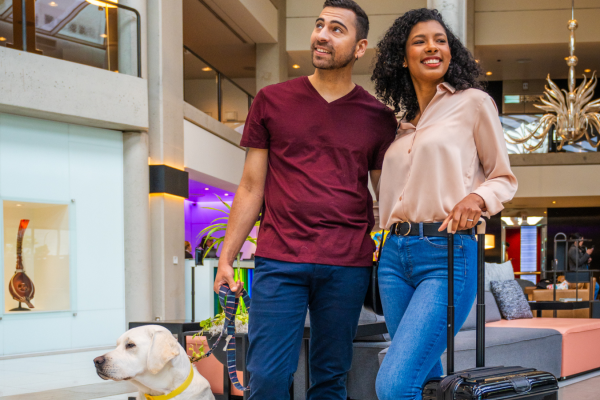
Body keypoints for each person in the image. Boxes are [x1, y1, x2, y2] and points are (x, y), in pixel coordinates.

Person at [212, 1, 397, 398]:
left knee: (331, 379)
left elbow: (387, 197)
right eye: (319, 25)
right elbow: (250, 186)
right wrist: (227, 258)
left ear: (360, 46)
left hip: (347, 265)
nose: (322, 35)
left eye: (336, 29)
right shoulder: (271, 100)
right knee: (268, 377)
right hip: (280, 261)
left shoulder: (378, 117)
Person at [371, 9, 518, 399]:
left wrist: (476, 196)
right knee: (426, 381)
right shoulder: (400, 124)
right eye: (420, 41)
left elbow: (503, 177)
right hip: (392, 256)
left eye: (440, 40)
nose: (432, 47)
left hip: (446, 252)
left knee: (394, 383)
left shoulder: (473, 103)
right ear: (403, 57)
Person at [568, 233, 598, 299]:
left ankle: (591, 302)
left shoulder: (580, 249)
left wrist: (588, 260)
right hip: (578, 274)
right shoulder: (572, 250)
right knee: (596, 287)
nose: (582, 242)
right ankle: (591, 303)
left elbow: (582, 260)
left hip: (583, 273)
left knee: (596, 287)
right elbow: (578, 262)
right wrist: (587, 254)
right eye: (581, 241)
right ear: (576, 241)